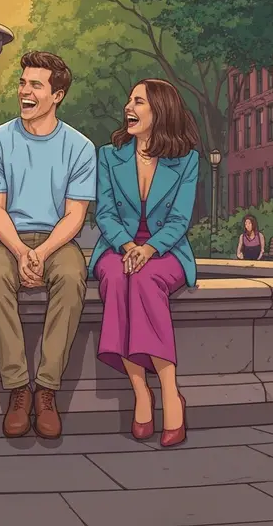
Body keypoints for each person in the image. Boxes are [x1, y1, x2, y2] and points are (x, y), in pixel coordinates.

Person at [0, 51, 96, 440]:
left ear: (57, 95)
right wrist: (19, 251)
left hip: (57, 240)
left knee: (73, 274)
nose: (24, 92)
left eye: (35, 85)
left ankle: (46, 389)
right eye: (22, 83)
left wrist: (41, 254)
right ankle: (17, 390)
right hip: (7, 237)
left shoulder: (79, 147)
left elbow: (75, 215)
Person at [89, 78, 200, 448]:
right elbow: (104, 214)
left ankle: (170, 392)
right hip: (116, 247)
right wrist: (125, 246)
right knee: (120, 278)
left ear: (160, 110)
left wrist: (149, 249)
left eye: (138, 101)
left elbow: (180, 220)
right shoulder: (109, 155)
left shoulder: (187, 160)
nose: (128, 107)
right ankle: (140, 391)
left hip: (165, 251)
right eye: (129, 100)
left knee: (146, 280)